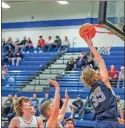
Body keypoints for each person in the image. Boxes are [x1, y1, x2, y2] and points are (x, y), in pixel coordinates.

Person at [81, 35, 119, 128]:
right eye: (96, 72)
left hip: (99, 123)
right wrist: (90, 46)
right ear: (95, 75)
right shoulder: (103, 81)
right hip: (109, 124)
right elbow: (100, 60)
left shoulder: (91, 94)